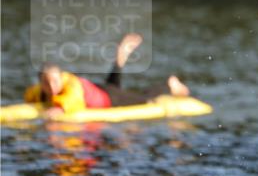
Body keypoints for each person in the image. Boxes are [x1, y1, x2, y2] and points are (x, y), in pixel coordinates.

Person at [25, 33, 190, 118]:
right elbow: (30, 95)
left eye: (54, 81)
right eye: (46, 83)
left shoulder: (71, 84)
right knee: (113, 86)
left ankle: (170, 84)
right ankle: (120, 58)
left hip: (110, 99)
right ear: (40, 82)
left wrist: (60, 109)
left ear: (61, 77)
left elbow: (73, 99)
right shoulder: (40, 90)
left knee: (143, 98)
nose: (51, 86)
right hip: (100, 90)